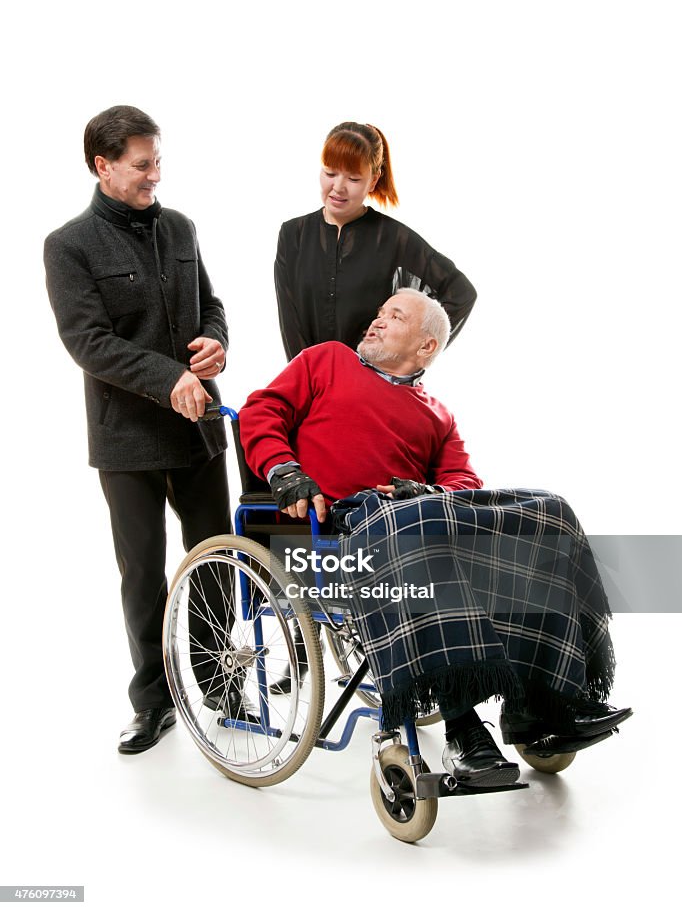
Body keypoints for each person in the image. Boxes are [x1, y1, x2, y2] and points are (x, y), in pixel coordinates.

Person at [239, 288, 632, 787]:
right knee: (420, 526)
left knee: (551, 511)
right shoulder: (327, 361)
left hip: (416, 521)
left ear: (426, 346)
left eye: (394, 316)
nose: (376, 321)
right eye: (379, 312)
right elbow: (260, 411)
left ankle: (545, 705)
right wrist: (284, 470)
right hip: (336, 528)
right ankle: (464, 730)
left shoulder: (438, 414)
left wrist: (418, 489)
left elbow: (464, 486)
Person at [44, 105, 233, 755]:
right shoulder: (68, 246)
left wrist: (215, 345)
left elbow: (210, 304)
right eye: (143, 164)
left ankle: (220, 683)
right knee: (143, 573)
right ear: (103, 165)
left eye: (158, 160)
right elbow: (87, 342)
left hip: (199, 429)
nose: (157, 174)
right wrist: (165, 377)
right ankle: (153, 701)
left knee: (216, 557)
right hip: (126, 440)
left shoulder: (180, 227)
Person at [274, 121, 477, 361]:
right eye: (330, 173)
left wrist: (407, 356)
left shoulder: (393, 237)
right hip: (310, 384)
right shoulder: (293, 235)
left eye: (354, 179)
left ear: (373, 180)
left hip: (370, 385)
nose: (338, 187)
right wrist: (304, 380)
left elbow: (460, 292)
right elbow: (291, 324)